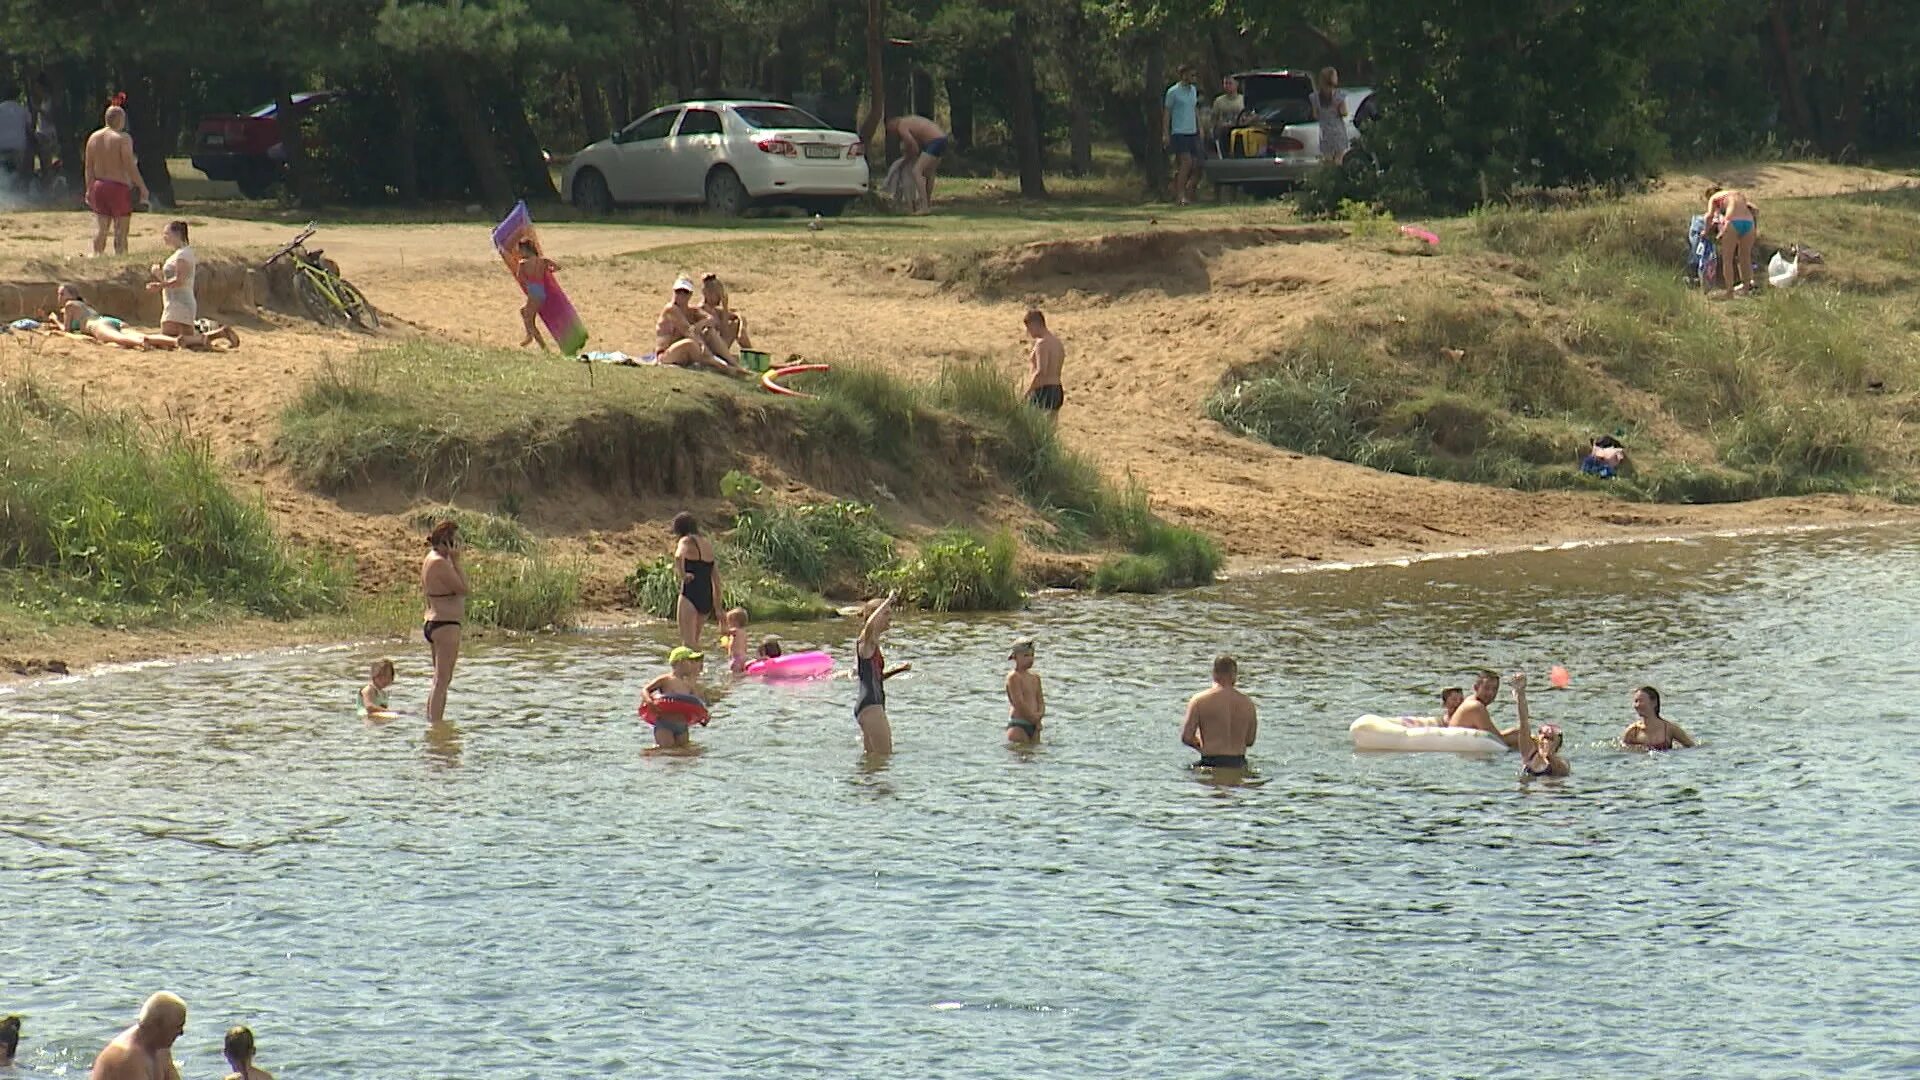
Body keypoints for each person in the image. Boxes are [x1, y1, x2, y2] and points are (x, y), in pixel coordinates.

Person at [146, 221, 239, 350]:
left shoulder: (183, 255)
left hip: (180, 302)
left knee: (169, 338)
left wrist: (159, 285)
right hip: (174, 300)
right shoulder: (180, 254)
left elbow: (180, 281)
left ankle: (211, 336)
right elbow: (172, 281)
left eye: (167, 233)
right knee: (181, 339)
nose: (164, 237)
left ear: (177, 234)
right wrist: (159, 275)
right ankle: (220, 333)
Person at [420, 520, 467, 727]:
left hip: (436, 622)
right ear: (446, 543)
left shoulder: (431, 558)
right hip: (445, 624)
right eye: (455, 542)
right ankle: (436, 726)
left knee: (439, 681)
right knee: (441, 681)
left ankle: (433, 724)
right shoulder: (439, 562)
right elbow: (464, 588)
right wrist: (457, 562)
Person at [85, 104, 146, 257]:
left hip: (99, 185)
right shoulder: (123, 139)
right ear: (121, 120)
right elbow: (129, 165)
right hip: (118, 186)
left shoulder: (93, 138)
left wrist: (89, 188)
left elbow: (88, 167)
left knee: (101, 228)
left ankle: (97, 255)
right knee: (121, 229)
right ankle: (121, 256)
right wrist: (141, 186)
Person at [854, 593, 911, 754]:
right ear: (875, 616)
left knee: (871, 761)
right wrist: (887, 601)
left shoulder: (873, 645)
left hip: (870, 705)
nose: (890, 617)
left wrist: (898, 669)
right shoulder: (865, 642)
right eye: (886, 613)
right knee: (884, 758)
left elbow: (875, 678)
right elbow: (869, 626)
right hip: (871, 706)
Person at [1182, 654, 1257, 768]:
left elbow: (1187, 737)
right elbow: (1250, 741)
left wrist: (1202, 746)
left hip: (1210, 762)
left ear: (1214, 673)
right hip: (1239, 763)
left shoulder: (1199, 700)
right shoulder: (1248, 703)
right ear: (1235, 675)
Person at [89, 992, 185, 1080]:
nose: (181, 1032)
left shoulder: (161, 1047)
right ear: (156, 1026)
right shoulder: (128, 1059)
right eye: (177, 1026)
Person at [49, 284, 175, 350]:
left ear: (72, 295)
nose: (59, 297)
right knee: (141, 335)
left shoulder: (69, 305)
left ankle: (141, 343)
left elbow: (66, 330)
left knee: (122, 339)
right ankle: (174, 341)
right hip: (108, 320)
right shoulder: (84, 304)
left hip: (97, 325)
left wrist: (54, 319)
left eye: (62, 294)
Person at [655, 277, 739, 374]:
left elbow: (712, 320)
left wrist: (700, 324)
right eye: (678, 292)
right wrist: (702, 345)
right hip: (666, 355)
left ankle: (733, 364)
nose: (681, 295)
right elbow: (688, 332)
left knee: (709, 333)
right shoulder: (671, 309)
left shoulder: (691, 310)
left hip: (684, 353)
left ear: (690, 295)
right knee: (690, 343)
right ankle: (719, 365)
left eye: (685, 292)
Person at [642, 646, 708, 749]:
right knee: (666, 750)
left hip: (682, 725)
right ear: (680, 662)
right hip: (665, 724)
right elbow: (645, 690)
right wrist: (649, 702)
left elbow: (697, 703)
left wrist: (703, 715)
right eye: (690, 661)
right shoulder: (666, 679)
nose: (693, 665)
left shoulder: (689, 684)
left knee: (683, 752)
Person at [1509, 673, 1570, 778]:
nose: (1545, 736)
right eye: (1542, 734)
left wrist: (1549, 756)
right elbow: (1524, 721)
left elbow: (1563, 772)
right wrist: (1521, 693)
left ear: (1558, 744)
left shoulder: (1562, 762)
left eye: (1549, 738)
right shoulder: (1529, 752)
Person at [885, 114, 948, 214]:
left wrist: (904, 162)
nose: (894, 134)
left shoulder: (901, 126)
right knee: (929, 173)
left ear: (893, 125)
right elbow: (916, 145)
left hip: (934, 141)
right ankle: (927, 204)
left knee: (916, 171)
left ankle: (924, 206)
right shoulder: (910, 120)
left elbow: (914, 148)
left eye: (891, 131)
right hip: (943, 138)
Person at [1706, 186, 1759, 296]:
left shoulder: (1714, 198)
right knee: (1745, 257)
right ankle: (1746, 289)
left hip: (1733, 222)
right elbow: (1755, 209)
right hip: (1749, 223)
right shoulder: (1737, 194)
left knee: (1728, 258)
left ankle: (1729, 291)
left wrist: (1705, 231)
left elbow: (1708, 216)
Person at [1447, 669, 1518, 748]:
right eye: (1486, 688)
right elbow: (1497, 740)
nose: (1491, 693)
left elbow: (1493, 735)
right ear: (1476, 688)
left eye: (1495, 689)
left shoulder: (1470, 700)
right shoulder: (1476, 707)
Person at [1163, 65, 1202, 205]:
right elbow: (1167, 113)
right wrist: (1165, 133)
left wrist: (1200, 127)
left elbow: (1195, 109)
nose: (1194, 77)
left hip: (1192, 131)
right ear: (1183, 75)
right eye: (1191, 74)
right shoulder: (1173, 92)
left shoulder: (1193, 91)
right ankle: (1180, 196)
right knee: (1187, 162)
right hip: (1179, 132)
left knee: (1196, 164)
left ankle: (1182, 188)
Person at [512, 238, 560, 350]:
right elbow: (558, 267)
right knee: (524, 312)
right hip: (541, 291)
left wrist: (528, 278)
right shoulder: (543, 261)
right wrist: (546, 272)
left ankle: (540, 344)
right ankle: (530, 336)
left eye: (520, 250)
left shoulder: (523, 263)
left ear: (525, 250)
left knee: (528, 319)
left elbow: (521, 278)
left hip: (533, 292)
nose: (519, 253)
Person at [1020, 309, 1066, 417]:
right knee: (1050, 429)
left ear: (1035, 324)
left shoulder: (1042, 344)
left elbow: (1041, 372)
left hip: (1043, 391)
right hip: (1057, 390)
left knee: (1034, 429)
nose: (1028, 332)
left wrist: (1028, 392)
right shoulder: (1057, 343)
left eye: (1029, 328)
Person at [697, 273, 752, 360]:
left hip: (721, 347)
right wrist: (725, 307)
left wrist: (742, 329)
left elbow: (738, 315)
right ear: (707, 293)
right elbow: (724, 332)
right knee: (733, 325)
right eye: (718, 294)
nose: (720, 298)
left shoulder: (715, 310)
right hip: (710, 350)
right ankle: (751, 356)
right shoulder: (702, 310)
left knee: (737, 323)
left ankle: (751, 355)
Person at [1622, 685, 1695, 751]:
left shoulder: (1669, 728)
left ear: (1654, 703)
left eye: (1641, 701)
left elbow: (1692, 747)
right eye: (1636, 701)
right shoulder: (1632, 731)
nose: (1637, 705)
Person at [1003, 637, 1045, 743]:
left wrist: (1039, 716)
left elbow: (1040, 700)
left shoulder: (1035, 677)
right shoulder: (1014, 677)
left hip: (1034, 724)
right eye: (1026, 656)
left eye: (1032, 655)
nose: (1030, 659)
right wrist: (1032, 718)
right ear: (1015, 657)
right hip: (1019, 724)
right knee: (1021, 755)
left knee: (1035, 756)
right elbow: (1018, 702)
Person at [1314, 67, 1349, 165]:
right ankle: (1337, 177)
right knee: (1339, 158)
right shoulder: (1339, 95)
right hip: (1338, 130)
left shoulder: (1316, 97)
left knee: (1327, 159)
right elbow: (1344, 112)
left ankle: (1327, 176)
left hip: (1325, 131)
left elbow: (1315, 115)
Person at [0, 83, 31, 194]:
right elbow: (29, 129)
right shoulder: (22, 110)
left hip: (2, 146)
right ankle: (17, 196)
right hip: (18, 146)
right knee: (17, 173)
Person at [1209, 75, 1246, 158]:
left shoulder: (1243, 100)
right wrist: (1212, 131)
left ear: (1237, 84)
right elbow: (1214, 118)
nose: (1227, 86)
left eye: (1230, 83)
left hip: (1239, 133)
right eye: (1225, 83)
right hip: (1223, 133)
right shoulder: (1219, 101)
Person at [721, 607, 751, 672]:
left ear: (735, 622)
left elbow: (723, 632)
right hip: (742, 658)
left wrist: (721, 620)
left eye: (729, 622)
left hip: (736, 658)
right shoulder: (743, 632)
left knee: (734, 677)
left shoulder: (736, 631)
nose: (728, 625)